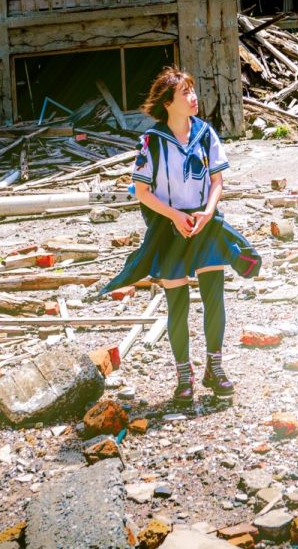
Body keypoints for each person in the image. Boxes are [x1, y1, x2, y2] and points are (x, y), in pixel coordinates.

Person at [98, 67, 261, 407]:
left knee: (214, 299)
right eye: (185, 92)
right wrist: (174, 215)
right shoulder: (151, 142)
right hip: (170, 231)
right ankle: (183, 377)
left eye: (192, 90)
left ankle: (215, 368)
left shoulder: (206, 134)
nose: (193, 97)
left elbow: (218, 182)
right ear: (169, 103)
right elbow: (142, 192)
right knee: (178, 305)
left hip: (205, 225)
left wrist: (207, 213)